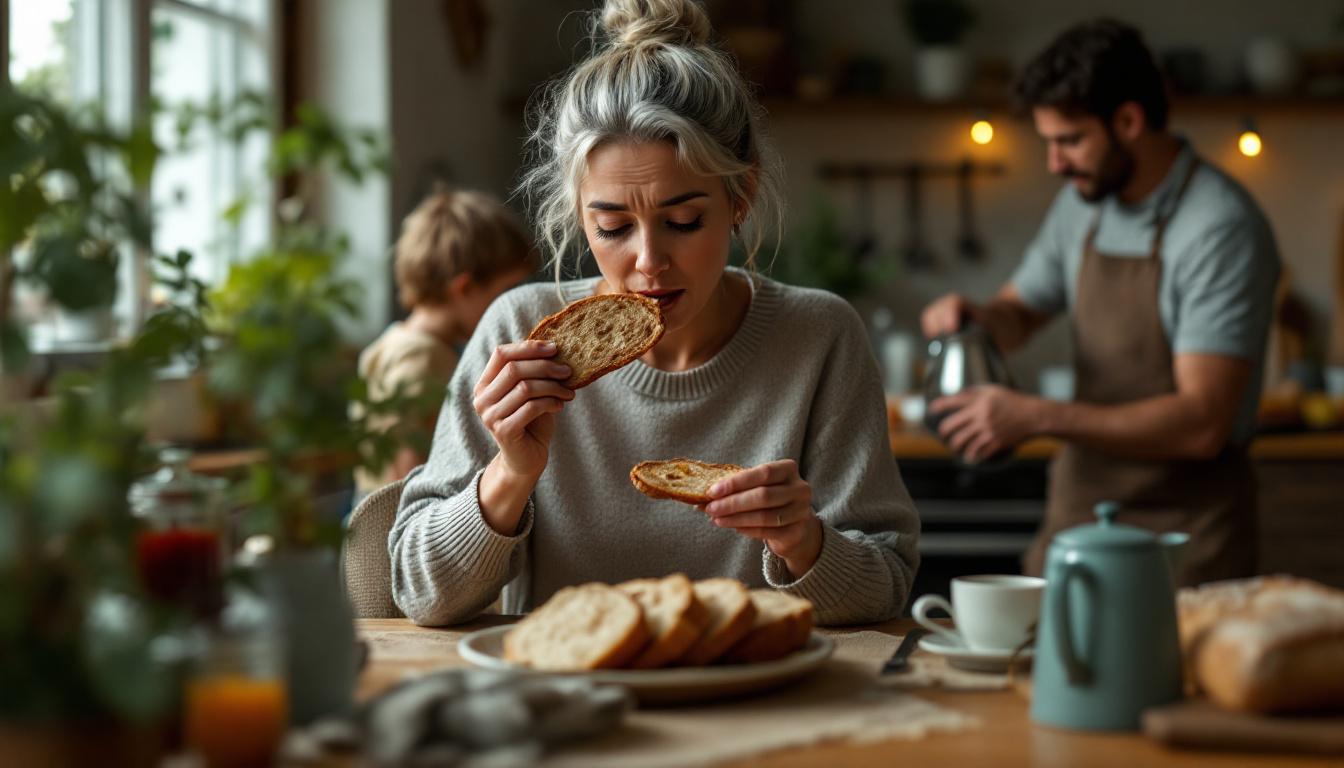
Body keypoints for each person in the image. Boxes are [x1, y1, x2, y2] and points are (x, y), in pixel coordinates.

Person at [389, 0, 919, 626]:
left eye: (684, 221)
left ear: (741, 196)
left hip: (756, 685)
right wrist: (510, 473)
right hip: (565, 685)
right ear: (579, 214)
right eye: (612, 227)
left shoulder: (820, 337)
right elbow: (419, 594)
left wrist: (803, 540)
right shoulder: (519, 332)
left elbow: (887, 587)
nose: (648, 261)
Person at [920, 20, 1280, 586]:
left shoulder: (1219, 227)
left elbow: (1202, 422)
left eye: (1069, 141)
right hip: (1079, 515)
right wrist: (979, 318)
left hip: (1184, 538)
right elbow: (1021, 313)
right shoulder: (1082, 203)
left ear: (1129, 122)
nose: (1054, 164)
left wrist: (1036, 415)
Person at [353, 188, 535, 501]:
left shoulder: (396, 340)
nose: (512, 303)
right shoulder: (423, 357)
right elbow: (404, 464)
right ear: (463, 288)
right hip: (394, 513)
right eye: (506, 290)